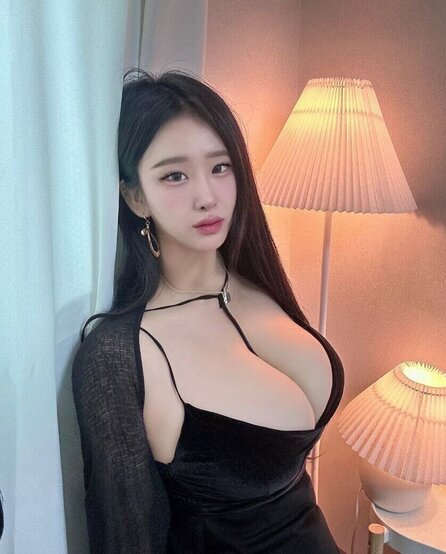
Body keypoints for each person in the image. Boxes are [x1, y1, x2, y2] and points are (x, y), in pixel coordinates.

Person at [72, 67, 345, 554]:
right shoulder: (122, 355)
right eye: (174, 175)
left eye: (220, 167)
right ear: (135, 196)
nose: (207, 196)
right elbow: (125, 537)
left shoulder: (256, 281)